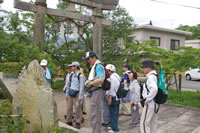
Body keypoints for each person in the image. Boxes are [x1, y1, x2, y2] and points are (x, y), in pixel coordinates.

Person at [85, 51, 105, 133]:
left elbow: (100, 79)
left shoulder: (98, 66)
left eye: (89, 59)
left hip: (96, 91)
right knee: (94, 113)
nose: (88, 61)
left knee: (95, 114)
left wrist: (90, 83)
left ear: (94, 57)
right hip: (95, 92)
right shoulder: (95, 66)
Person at [140, 60, 159, 133]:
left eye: (144, 67)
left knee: (144, 123)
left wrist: (147, 99)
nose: (143, 69)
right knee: (153, 123)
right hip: (155, 103)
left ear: (149, 68)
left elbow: (154, 89)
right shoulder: (155, 76)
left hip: (150, 103)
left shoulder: (151, 77)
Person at [65, 62, 85, 129]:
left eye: (72, 66)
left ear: (76, 67)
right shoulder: (71, 75)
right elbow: (68, 85)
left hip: (77, 95)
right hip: (70, 94)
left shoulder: (81, 75)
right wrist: (67, 94)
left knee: (77, 109)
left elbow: (82, 87)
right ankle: (69, 121)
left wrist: (80, 97)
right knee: (69, 108)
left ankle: (77, 122)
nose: (71, 67)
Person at [106, 64, 120, 133]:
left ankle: (115, 129)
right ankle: (115, 127)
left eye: (106, 71)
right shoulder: (117, 76)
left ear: (109, 70)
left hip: (113, 97)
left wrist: (109, 98)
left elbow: (112, 88)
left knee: (113, 114)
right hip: (118, 97)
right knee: (115, 114)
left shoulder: (112, 77)